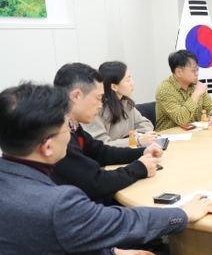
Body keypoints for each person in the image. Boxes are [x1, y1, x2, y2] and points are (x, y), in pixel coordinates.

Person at [0, 82, 212, 255]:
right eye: (66, 128)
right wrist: (184, 213)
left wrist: (113, 251)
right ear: (46, 146)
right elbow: (124, 222)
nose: (70, 134)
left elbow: (50, 237)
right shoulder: (58, 204)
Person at [52, 63, 162, 205]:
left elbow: (100, 151)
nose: (100, 105)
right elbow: (95, 182)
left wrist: (141, 152)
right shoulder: (58, 134)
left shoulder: (72, 124)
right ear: (77, 96)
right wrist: (140, 167)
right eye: (98, 98)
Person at [82, 61, 159, 147]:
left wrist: (135, 138)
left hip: (127, 150)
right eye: (128, 80)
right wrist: (134, 140)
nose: (132, 83)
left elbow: (145, 123)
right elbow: (102, 145)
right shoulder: (96, 109)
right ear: (114, 87)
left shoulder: (126, 103)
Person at [155, 50, 212, 132]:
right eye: (193, 70)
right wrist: (196, 94)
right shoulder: (165, 90)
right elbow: (181, 119)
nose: (197, 73)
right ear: (179, 72)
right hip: (170, 136)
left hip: (195, 133)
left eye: (197, 69)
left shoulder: (195, 85)